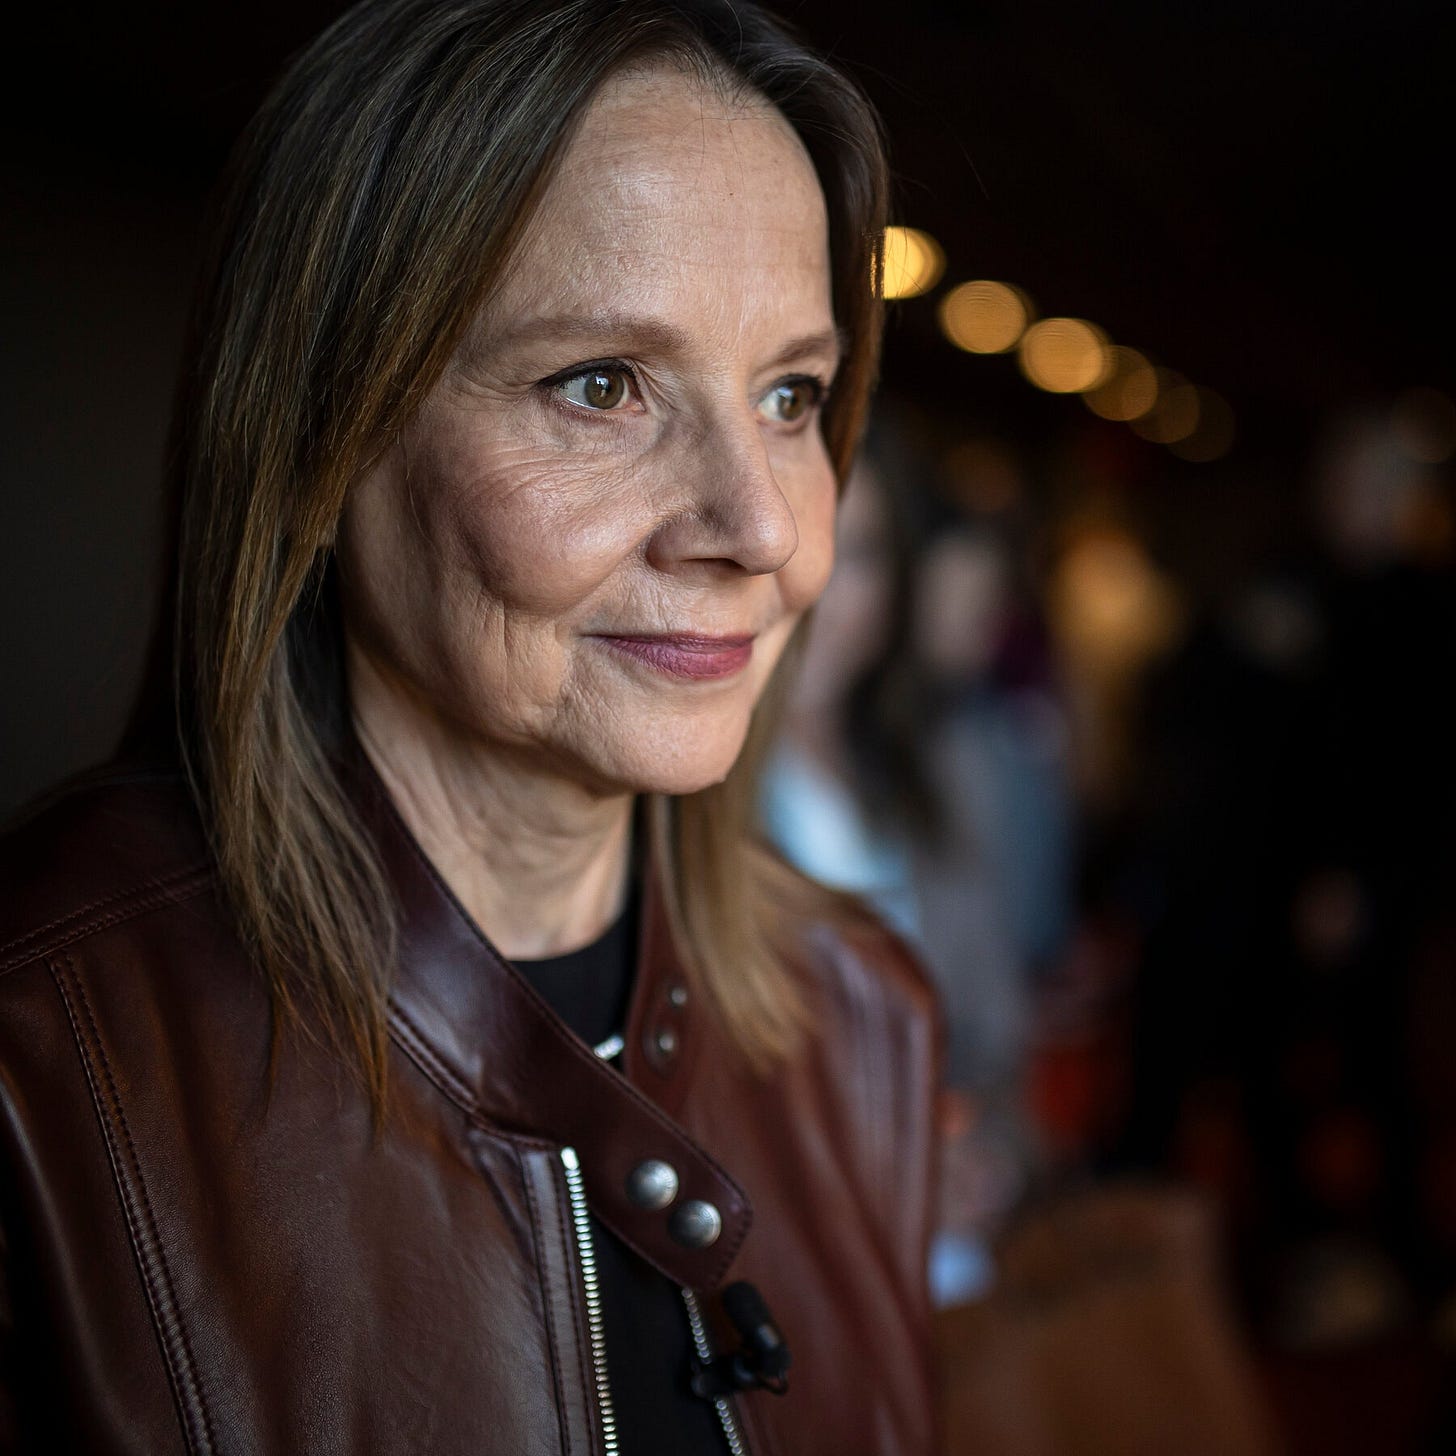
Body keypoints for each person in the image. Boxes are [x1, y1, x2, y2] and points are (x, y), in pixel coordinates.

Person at [0, 1, 940, 1452]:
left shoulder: (863, 1016)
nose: (758, 528)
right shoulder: (39, 1049)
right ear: (323, 437)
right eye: (602, 387)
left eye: (789, 394)